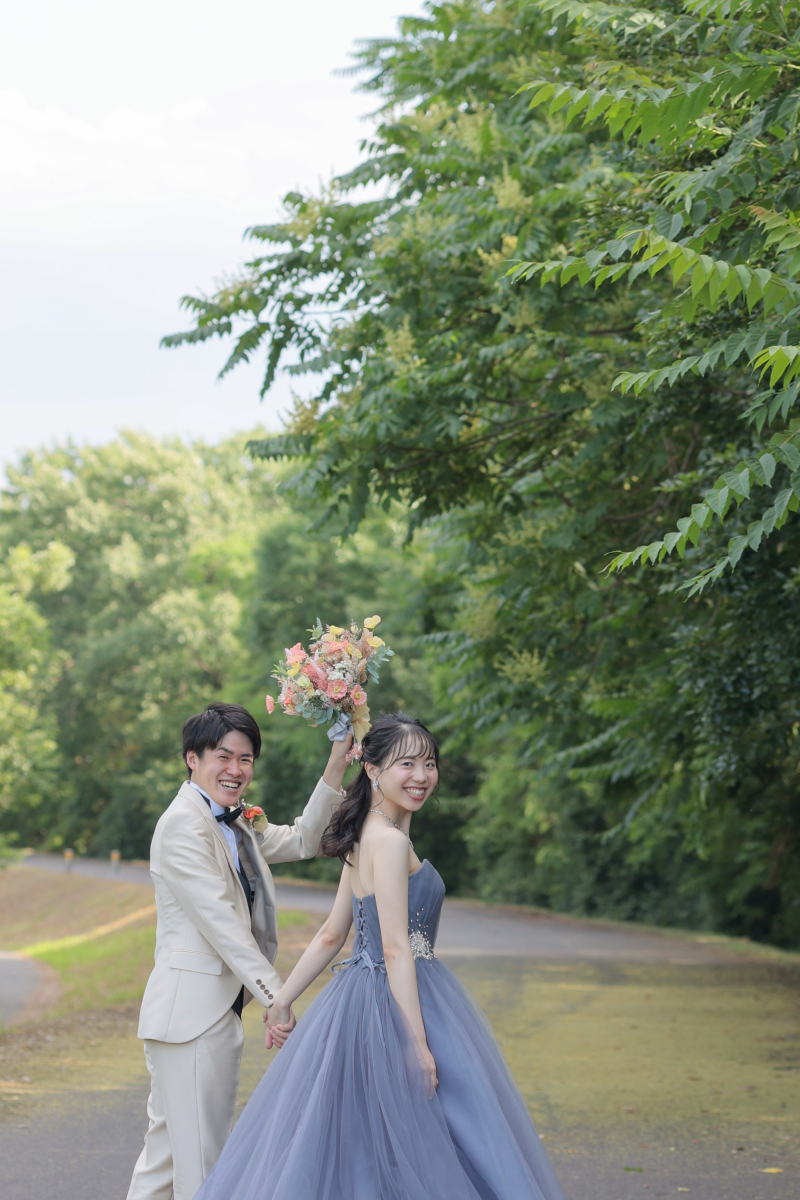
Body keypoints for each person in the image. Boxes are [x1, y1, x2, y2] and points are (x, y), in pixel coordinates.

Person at [193, 712, 566, 1200]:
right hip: (400, 1000)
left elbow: (332, 934)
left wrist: (282, 1000)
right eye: (406, 763)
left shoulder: (366, 833)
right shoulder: (387, 841)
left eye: (429, 763)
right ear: (371, 769)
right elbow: (393, 948)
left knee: (367, 1142)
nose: (421, 776)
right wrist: (417, 1042)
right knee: (444, 1133)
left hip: (362, 997)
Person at [127, 701, 350, 1200]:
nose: (235, 770)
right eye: (223, 757)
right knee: (204, 1172)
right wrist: (278, 996)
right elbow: (223, 927)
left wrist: (338, 759)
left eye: (245, 759)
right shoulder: (185, 824)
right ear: (192, 757)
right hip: (193, 1020)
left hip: (194, 1018)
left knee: (162, 1166)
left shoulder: (233, 822)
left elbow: (304, 841)